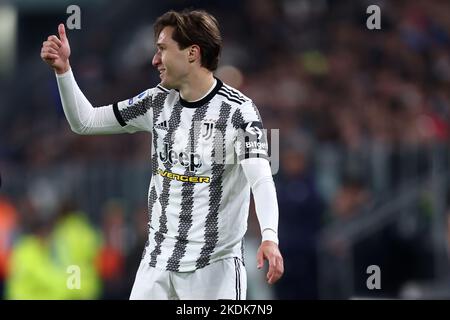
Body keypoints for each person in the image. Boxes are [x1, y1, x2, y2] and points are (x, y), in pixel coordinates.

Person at [40, 9, 283, 300]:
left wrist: (269, 235)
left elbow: (261, 179)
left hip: (213, 270)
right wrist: (64, 71)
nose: (155, 60)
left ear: (192, 53)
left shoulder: (238, 112)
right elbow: (85, 121)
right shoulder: (156, 101)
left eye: (162, 49)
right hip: (156, 265)